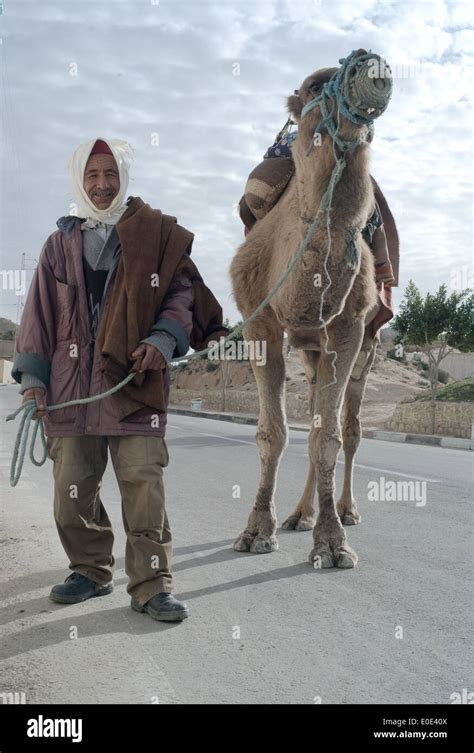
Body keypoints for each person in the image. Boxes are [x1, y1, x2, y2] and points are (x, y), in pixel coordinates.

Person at [12, 137, 227, 622]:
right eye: (92, 175)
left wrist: (164, 339)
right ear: (79, 180)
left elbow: (180, 297)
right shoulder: (58, 244)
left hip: (135, 384)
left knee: (144, 493)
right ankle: (90, 571)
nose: (103, 184)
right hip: (70, 396)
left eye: (110, 174)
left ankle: (151, 586)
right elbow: (39, 316)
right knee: (72, 496)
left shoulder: (152, 235)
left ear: (123, 177)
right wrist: (34, 382)